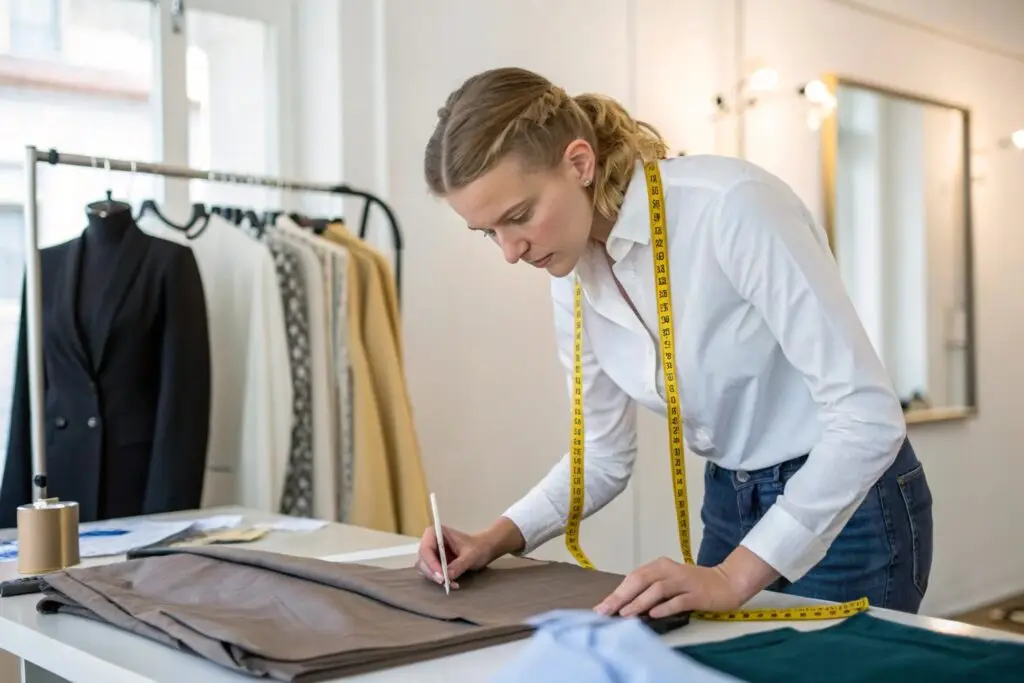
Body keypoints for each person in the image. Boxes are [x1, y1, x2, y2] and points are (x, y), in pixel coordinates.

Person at [416, 66, 934, 617]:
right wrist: (493, 539)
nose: (510, 252)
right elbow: (601, 456)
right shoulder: (571, 271)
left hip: (848, 503)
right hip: (728, 501)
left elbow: (868, 417)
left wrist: (733, 577)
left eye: (519, 216)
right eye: (489, 232)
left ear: (580, 163)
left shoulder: (732, 206)